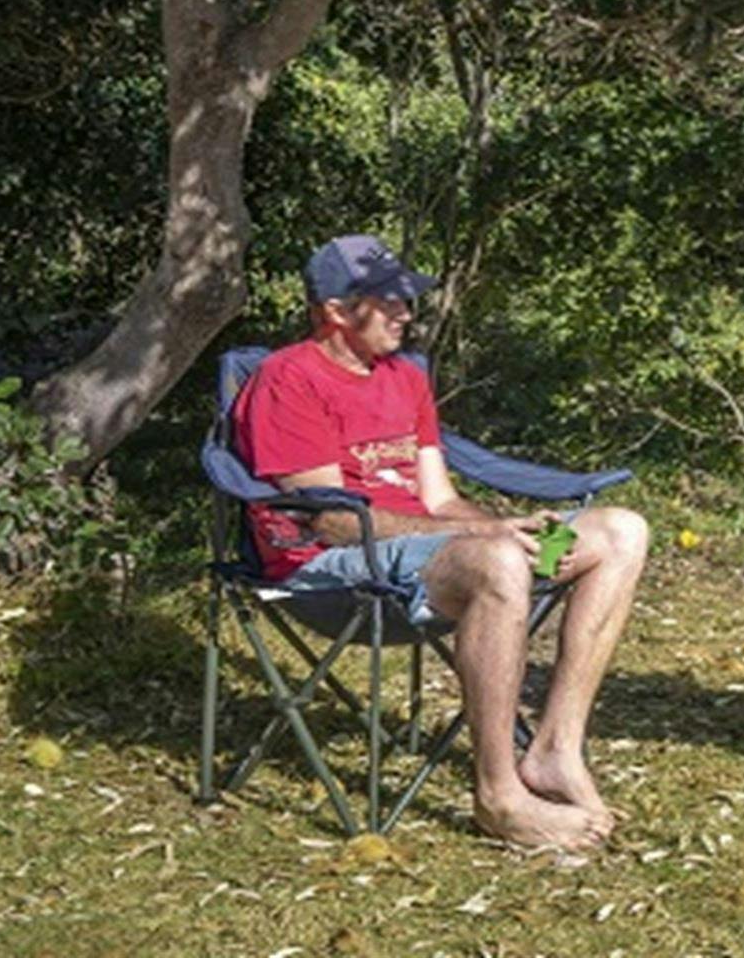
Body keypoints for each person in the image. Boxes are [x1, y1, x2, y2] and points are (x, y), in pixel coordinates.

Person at [234, 234, 646, 849]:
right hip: (329, 572)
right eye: (389, 299)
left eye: (406, 298)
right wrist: (487, 537)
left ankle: (555, 748)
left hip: (431, 554)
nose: (406, 311)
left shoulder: (403, 378)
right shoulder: (287, 380)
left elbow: (440, 500)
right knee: (496, 559)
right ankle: (499, 797)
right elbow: (330, 522)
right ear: (337, 311)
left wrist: (509, 523)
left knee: (620, 531)